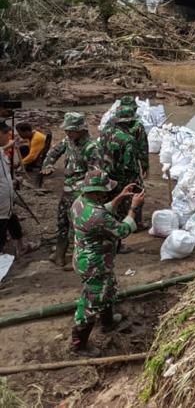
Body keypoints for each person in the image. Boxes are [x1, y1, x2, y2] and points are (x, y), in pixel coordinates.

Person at [69, 169, 144, 356]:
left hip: (89, 259)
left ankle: (108, 322)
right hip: (95, 265)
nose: (106, 194)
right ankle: (78, 344)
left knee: (108, 288)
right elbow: (123, 231)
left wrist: (119, 197)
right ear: (96, 192)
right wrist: (133, 208)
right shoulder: (97, 216)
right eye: (104, 192)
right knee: (91, 303)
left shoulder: (80, 203)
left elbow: (101, 211)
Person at [42, 113, 100, 268]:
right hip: (67, 190)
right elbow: (53, 152)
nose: (67, 133)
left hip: (81, 193)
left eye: (70, 130)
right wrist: (48, 164)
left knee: (77, 226)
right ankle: (59, 254)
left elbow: (95, 174)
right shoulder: (68, 141)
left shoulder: (91, 148)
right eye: (66, 130)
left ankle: (77, 258)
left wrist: (85, 192)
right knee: (62, 222)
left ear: (80, 130)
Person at [102, 106, 146, 246]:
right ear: (129, 122)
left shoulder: (106, 133)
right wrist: (136, 182)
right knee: (123, 210)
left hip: (108, 178)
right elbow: (130, 166)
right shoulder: (128, 140)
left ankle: (107, 237)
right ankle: (118, 244)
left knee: (110, 207)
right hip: (123, 180)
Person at [0, 123, 26, 256]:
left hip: (6, 199)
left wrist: (13, 181)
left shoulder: (2, 152)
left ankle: (21, 247)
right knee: (1, 228)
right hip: (1, 200)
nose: (9, 138)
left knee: (12, 220)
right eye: (7, 135)